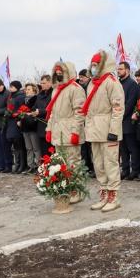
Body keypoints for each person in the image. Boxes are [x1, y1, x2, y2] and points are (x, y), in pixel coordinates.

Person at [84, 50, 125, 212]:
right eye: (92, 65)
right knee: (99, 164)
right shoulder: (92, 83)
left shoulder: (112, 82)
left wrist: (114, 130)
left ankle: (114, 196)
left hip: (108, 128)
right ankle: (104, 193)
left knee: (110, 163)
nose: (93, 68)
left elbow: (118, 108)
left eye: (96, 65)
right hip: (95, 129)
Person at [46, 61, 87, 203]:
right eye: (56, 73)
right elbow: (52, 113)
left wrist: (76, 132)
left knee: (73, 163)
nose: (58, 75)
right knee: (61, 164)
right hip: (58, 131)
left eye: (60, 73)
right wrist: (49, 129)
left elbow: (80, 112)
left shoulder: (76, 89)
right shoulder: (56, 89)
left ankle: (77, 191)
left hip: (70, 131)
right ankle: (67, 189)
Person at [118, 61, 140, 181]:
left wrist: (119, 114)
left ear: (127, 70)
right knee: (123, 149)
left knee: (132, 147)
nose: (118, 71)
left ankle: (135, 170)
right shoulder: (117, 84)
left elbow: (130, 103)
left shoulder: (132, 84)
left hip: (128, 121)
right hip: (119, 122)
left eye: (121, 69)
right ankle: (125, 170)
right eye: (118, 69)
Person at [6, 80, 27, 174]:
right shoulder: (11, 96)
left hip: (17, 122)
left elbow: (22, 110)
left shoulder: (20, 96)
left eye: (12, 87)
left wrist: (15, 115)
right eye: (10, 87)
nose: (10, 88)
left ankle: (22, 165)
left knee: (19, 145)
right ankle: (17, 164)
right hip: (11, 123)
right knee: (15, 146)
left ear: (17, 87)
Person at [19, 83, 41, 174]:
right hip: (25, 127)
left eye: (29, 89)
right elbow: (20, 111)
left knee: (36, 148)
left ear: (34, 90)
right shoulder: (24, 100)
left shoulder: (36, 99)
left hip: (33, 126)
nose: (26, 91)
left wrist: (30, 113)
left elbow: (36, 111)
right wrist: (19, 119)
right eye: (26, 89)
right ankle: (30, 165)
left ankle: (39, 166)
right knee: (28, 148)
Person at [78, 68, 94, 176]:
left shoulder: (91, 87)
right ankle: (86, 167)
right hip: (82, 120)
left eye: (82, 77)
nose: (80, 79)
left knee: (90, 147)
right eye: (79, 77)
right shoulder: (80, 88)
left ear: (88, 77)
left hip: (90, 120)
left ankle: (92, 167)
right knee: (83, 147)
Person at [33, 75, 53, 156]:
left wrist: (40, 112)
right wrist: (33, 112)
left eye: (44, 83)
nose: (42, 85)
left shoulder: (53, 93)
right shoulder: (39, 95)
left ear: (50, 82)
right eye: (41, 83)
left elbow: (53, 109)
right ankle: (45, 167)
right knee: (44, 151)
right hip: (41, 126)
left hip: (50, 125)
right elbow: (34, 107)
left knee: (52, 151)